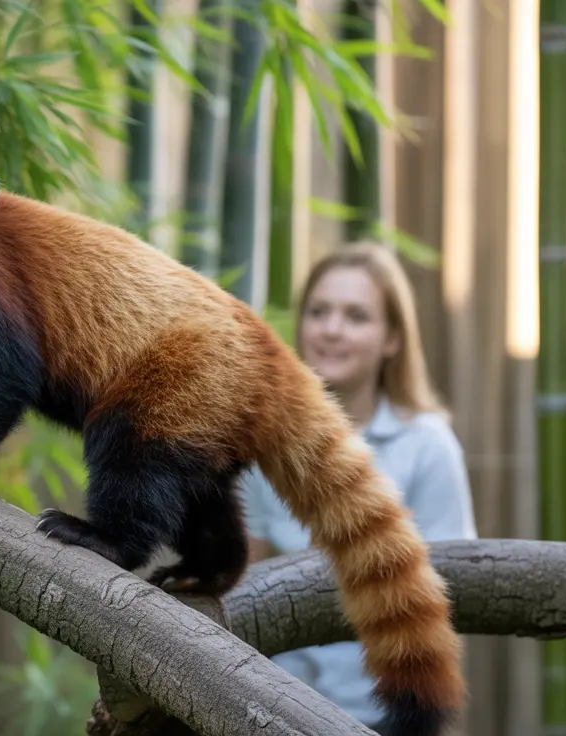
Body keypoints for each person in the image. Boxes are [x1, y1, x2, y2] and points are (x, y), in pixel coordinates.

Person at [241, 241, 477, 730]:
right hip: (274, 708)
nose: (331, 329)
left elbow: (455, 594)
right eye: (319, 311)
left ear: (393, 338)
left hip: (383, 715)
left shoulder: (427, 447)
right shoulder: (266, 436)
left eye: (356, 316)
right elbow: (243, 574)